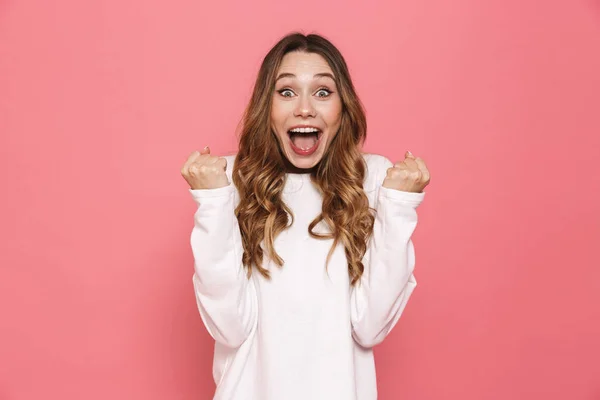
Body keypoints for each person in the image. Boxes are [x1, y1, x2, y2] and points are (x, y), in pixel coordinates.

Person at [180, 32, 431, 400]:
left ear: (342, 107)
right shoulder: (230, 179)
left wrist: (399, 206)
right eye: (286, 92)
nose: (304, 109)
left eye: (322, 92)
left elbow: (370, 327)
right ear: (267, 106)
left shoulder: (373, 179)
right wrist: (213, 200)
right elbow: (229, 328)